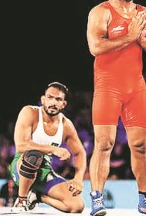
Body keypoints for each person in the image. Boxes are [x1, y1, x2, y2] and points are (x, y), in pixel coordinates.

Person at [86, 0, 146, 216]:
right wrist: (130, 36)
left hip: (136, 87)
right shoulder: (101, 12)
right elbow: (95, 47)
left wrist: (141, 39)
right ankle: (97, 199)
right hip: (107, 88)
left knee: (140, 146)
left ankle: (145, 200)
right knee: (104, 144)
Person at [9, 82, 87, 213]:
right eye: (50, 97)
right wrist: (53, 149)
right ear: (43, 99)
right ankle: (21, 200)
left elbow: (80, 153)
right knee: (34, 155)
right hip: (21, 167)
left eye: (58, 99)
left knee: (77, 206)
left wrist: (78, 178)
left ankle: (36, 196)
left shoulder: (66, 125)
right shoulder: (29, 112)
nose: (53, 102)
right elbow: (22, 145)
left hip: (44, 171)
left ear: (64, 104)